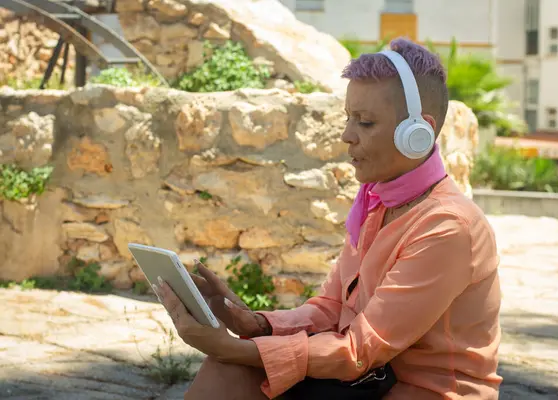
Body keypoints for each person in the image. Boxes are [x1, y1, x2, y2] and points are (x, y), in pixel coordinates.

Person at [154, 37, 502, 399]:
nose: (346, 136)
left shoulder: (447, 227)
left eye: (365, 123)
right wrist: (257, 324)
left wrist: (232, 347)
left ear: (417, 133)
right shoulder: (378, 203)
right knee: (230, 372)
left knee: (234, 364)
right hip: (368, 383)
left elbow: (359, 350)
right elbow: (333, 307)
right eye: (348, 119)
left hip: (423, 392)